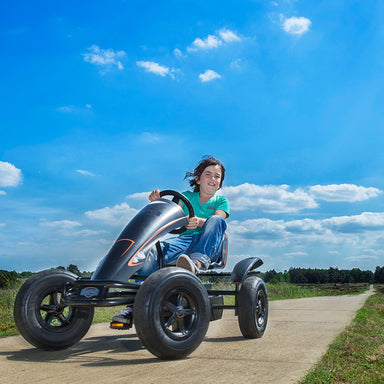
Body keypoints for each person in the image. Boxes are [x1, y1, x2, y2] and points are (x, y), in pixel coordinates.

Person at [111, 156, 230, 326]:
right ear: (197, 179)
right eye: (208, 174)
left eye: (217, 176)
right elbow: (170, 215)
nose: (212, 179)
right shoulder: (185, 197)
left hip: (208, 243)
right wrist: (158, 203)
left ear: (220, 183)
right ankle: (136, 305)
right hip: (183, 242)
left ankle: (196, 263)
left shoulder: (221, 201)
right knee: (151, 249)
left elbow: (219, 220)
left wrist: (199, 221)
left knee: (216, 221)